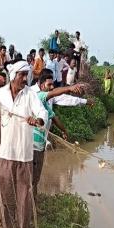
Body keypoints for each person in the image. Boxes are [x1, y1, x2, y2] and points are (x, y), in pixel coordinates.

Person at [0, 60, 48, 228]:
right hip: (6, 153)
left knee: (24, 196)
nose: (25, 79)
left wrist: (39, 121)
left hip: (25, 154)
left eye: (26, 75)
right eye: (22, 75)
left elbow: (41, 112)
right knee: (5, 196)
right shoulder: (0, 94)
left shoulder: (30, 95)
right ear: (13, 76)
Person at [31, 70, 84, 198]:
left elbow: (53, 117)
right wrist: (69, 88)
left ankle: (33, 202)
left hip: (40, 145)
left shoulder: (43, 104)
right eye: (49, 85)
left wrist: (64, 130)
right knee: (30, 179)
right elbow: (54, 93)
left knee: (35, 178)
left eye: (52, 84)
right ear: (41, 85)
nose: (52, 87)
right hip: (31, 146)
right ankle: (29, 207)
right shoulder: (37, 96)